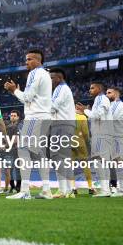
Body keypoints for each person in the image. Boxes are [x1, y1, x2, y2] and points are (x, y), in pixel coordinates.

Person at [4, 49, 53, 200]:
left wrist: (14, 91)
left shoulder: (35, 73)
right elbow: (29, 98)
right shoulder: (45, 74)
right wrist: (18, 92)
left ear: (39, 61)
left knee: (24, 150)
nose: (27, 62)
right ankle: (46, 189)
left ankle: (25, 190)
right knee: (39, 154)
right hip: (43, 116)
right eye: (26, 59)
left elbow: (27, 97)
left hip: (34, 117)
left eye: (30, 59)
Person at [76, 82, 113, 197]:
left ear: (99, 88)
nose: (90, 90)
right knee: (103, 162)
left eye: (92, 88)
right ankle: (106, 190)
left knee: (99, 162)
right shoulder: (99, 99)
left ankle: (105, 190)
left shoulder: (102, 99)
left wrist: (85, 111)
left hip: (102, 134)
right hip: (101, 133)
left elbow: (97, 115)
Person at [49, 68, 76, 199]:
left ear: (59, 78)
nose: (50, 80)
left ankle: (62, 190)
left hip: (61, 125)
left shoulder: (60, 89)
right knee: (64, 158)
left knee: (58, 157)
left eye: (52, 78)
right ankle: (69, 190)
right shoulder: (63, 89)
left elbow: (53, 107)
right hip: (66, 125)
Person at [106, 87, 123, 197]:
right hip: (118, 137)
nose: (107, 95)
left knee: (120, 163)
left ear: (116, 93)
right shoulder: (115, 105)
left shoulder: (117, 104)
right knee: (122, 163)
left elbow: (109, 118)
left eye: (109, 93)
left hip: (118, 137)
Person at [71, 108, 95, 195]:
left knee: (70, 166)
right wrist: (87, 141)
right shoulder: (82, 117)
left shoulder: (67, 116)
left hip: (69, 142)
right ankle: (90, 187)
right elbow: (85, 133)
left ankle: (73, 188)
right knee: (85, 165)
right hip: (80, 143)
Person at [5, 110, 21, 194]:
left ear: (18, 117)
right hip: (9, 150)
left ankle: (18, 187)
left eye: (14, 115)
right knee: (9, 170)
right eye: (11, 115)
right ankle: (12, 186)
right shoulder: (8, 126)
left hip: (17, 150)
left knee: (18, 169)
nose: (12, 117)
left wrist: (5, 145)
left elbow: (16, 140)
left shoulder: (19, 126)